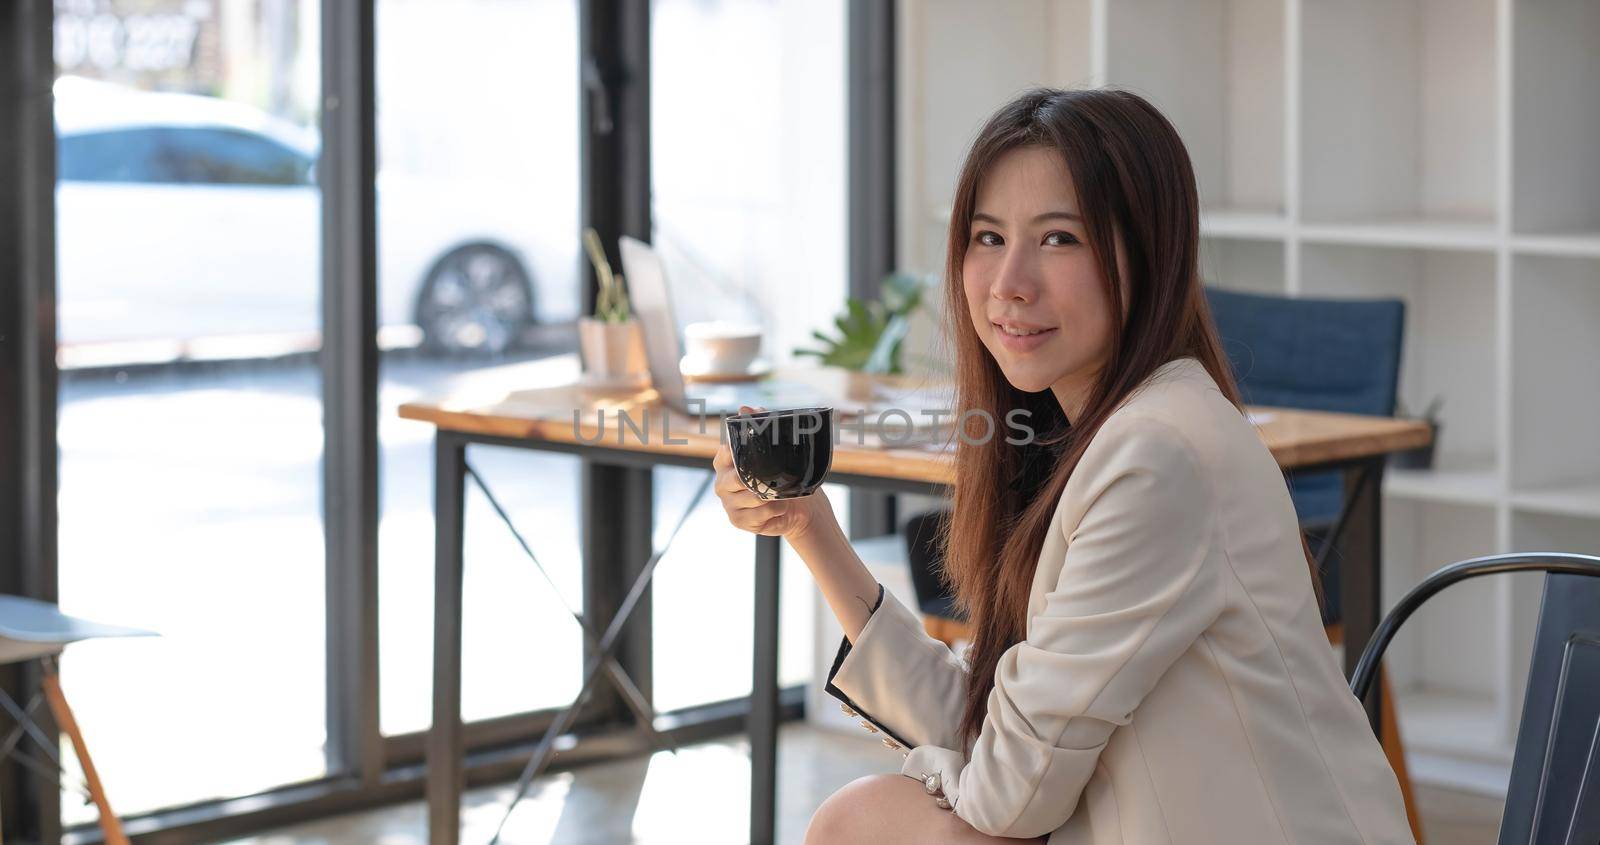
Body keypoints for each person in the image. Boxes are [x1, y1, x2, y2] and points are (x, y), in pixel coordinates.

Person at [711, 87, 1413, 844]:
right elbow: (998, 733)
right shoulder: (1085, 434)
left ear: (1148, 253)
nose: (1010, 281)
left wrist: (935, 782)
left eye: (1059, 239)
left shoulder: (1156, 458)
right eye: (987, 237)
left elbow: (1008, 793)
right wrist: (811, 527)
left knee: (861, 821)